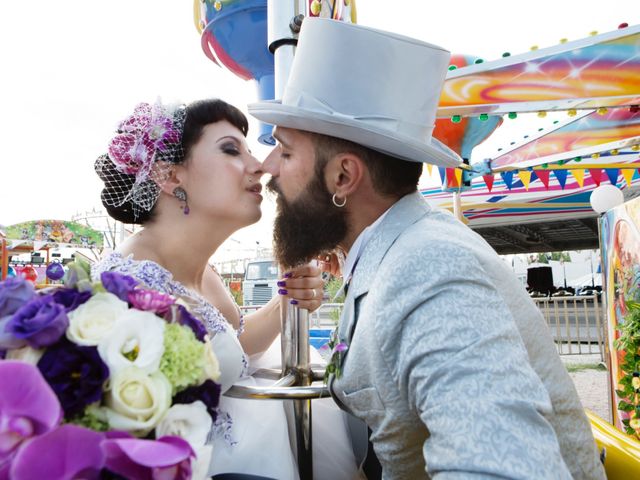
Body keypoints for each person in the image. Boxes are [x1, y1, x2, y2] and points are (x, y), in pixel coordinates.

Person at [249, 18, 606, 479]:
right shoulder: (396, 249)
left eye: (285, 150)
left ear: (343, 176)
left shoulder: (428, 267)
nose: (266, 166)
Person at [92, 99, 360, 479]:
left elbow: (231, 350)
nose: (260, 166)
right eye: (231, 149)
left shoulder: (205, 272)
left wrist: (286, 301)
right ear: (171, 176)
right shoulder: (125, 288)